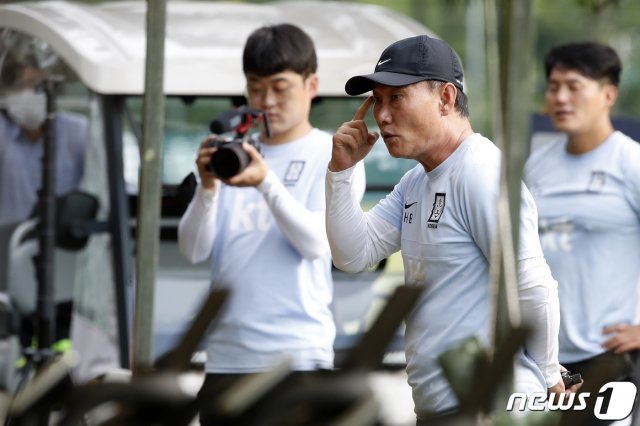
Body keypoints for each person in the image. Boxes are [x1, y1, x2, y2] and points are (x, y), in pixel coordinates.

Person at [325, 34, 566, 421]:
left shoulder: (480, 171)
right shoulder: (416, 181)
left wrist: (550, 378)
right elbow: (353, 255)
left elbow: (534, 285)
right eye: (379, 100)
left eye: (397, 98)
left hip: (489, 404)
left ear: (446, 99)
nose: (382, 115)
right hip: (442, 406)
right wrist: (341, 172)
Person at [177, 23, 365, 424]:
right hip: (225, 357)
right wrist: (208, 188)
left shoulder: (331, 154)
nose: (267, 102)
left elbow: (318, 245)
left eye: (280, 88)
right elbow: (193, 250)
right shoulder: (235, 152)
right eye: (256, 88)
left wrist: (266, 182)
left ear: (311, 84)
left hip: (297, 358)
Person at [524, 42, 640, 424]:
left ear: (608, 94)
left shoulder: (631, 163)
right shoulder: (536, 167)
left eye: (574, 86)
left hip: (608, 356)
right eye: (553, 86)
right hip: (546, 362)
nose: (559, 97)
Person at [0, 63, 87, 226]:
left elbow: (103, 188)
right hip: (10, 245)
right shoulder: (3, 133)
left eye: (37, 86)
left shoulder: (78, 132)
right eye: (21, 86)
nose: (28, 92)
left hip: (62, 246)